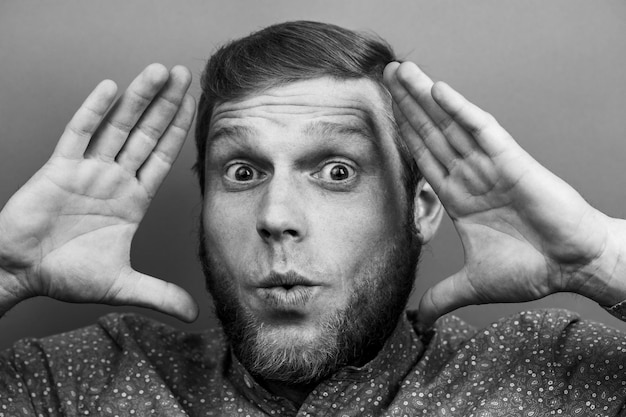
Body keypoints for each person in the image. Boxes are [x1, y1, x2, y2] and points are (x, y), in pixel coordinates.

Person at [0, 20, 625, 416]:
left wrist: (600, 259)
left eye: (337, 171)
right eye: (243, 172)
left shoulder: (560, 376)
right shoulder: (67, 386)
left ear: (423, 206)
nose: (275, 217)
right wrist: (6, 273)